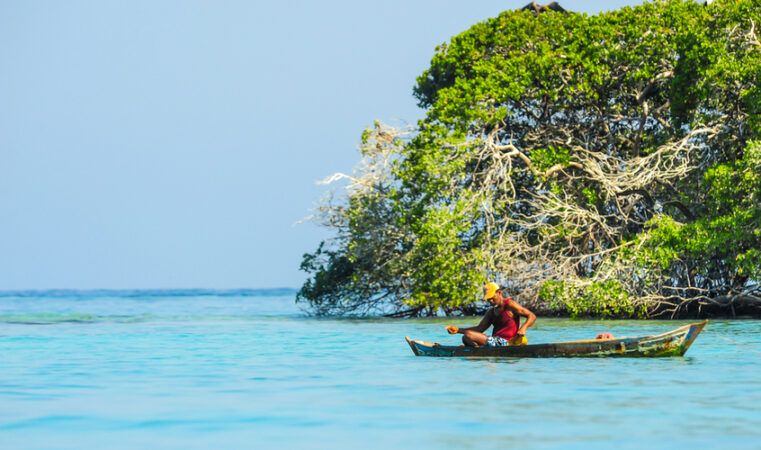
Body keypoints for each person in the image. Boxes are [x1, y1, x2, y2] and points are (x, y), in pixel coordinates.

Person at [445, 282, 536, 347]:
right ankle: (481, 350)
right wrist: (458, 330)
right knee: (465, 338)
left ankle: (481, 349)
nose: (491, 301)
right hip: (495, 341)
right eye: (488, 299)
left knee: (468, 335)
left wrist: (523, 328)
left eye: (492, 298)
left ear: (499, 293)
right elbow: (479, 329)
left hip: (508, 342)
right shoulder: (491, 312)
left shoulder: (510, 305)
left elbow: (532, 316)